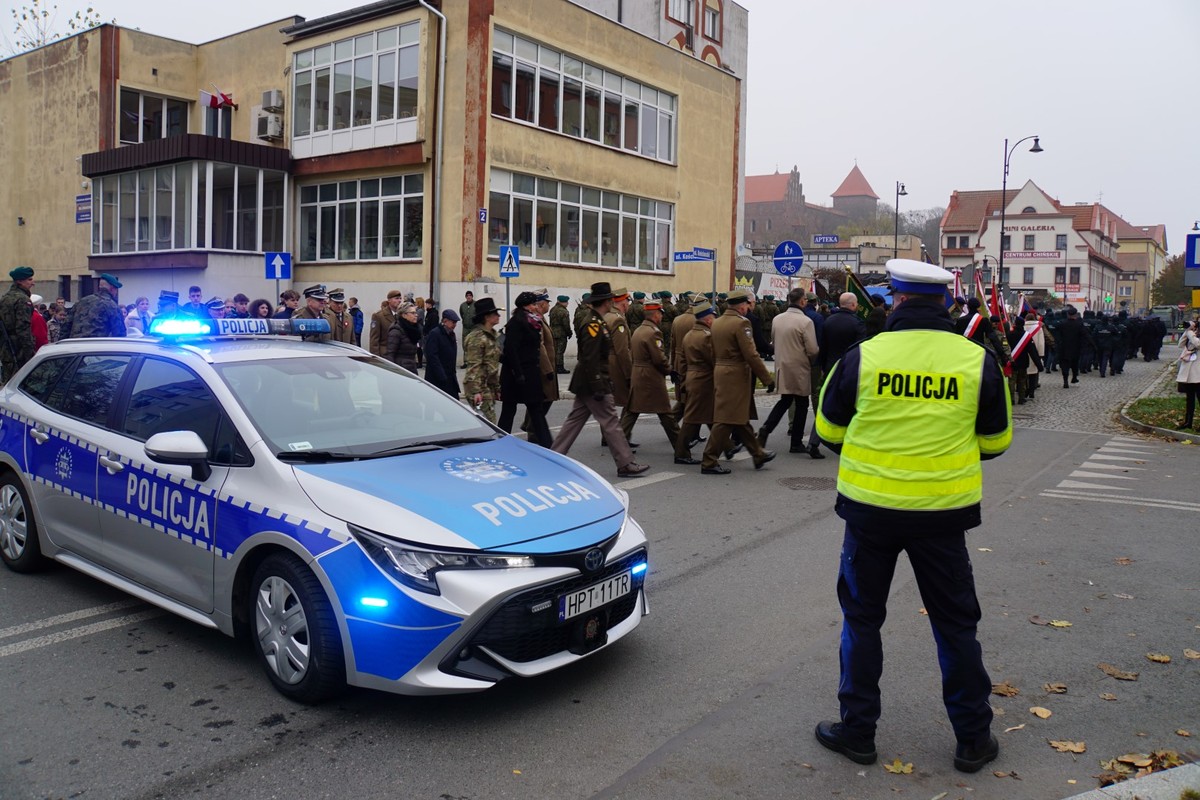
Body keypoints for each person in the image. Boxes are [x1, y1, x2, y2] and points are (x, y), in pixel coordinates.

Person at [813, 259, 1011, 774]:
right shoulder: (977, 359)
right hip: (942, 519)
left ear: (894, 300)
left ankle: (857, 732)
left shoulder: (863, 357)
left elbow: (829, 431)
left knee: (861, 621)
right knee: (955, 627)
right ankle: (973, 738)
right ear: (946, 303)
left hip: (869, 516)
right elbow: (996, 442)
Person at [551, 283, 649, 477]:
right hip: (592, 381)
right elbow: (590, 356)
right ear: (607, 301)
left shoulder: (597, 320)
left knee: (574, 421)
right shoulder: (593, 324)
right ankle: (626, 463)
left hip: (587, 380)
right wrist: (598, 384)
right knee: (611, 421)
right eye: (611, 298)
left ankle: (554, 458)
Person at [700, 290, 776, 474]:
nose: (748, 308)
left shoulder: (717, 323)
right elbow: (751, 354)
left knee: (739, 416)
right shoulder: (742, 323)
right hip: (735, 374)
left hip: (721, 371)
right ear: (742, 305)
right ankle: (709, 461)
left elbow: (712, 351)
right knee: (726, 419)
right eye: (747, 305)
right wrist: (767, 378)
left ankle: (757, 454)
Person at [758, 288, 819, 454]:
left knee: (785, 400)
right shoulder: (805, 322)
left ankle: (766, 429)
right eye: (805, 299)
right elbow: (812, 349)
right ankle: (796, 442)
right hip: (799, 367)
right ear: (802, 301)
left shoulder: (778, 319)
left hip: (782, 365)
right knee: (801, 403)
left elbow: (774, 341)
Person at [621, 300, 681, 449]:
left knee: (632, 411)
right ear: (656, 314)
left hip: (638, 374)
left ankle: (619, 443)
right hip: (650, 377)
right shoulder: (654, 332)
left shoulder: (639, 330)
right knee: (665, 412)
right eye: (660, 314)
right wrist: (670, 370)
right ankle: (681, 447)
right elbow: (658, 358)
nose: (661, 317)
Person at [497, 292, 552, 448]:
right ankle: (501, 443)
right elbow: (511, 350)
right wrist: (518, 373)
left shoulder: (534, 322)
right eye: (533, 304)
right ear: (525, 306)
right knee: (509, 410)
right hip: (515, 375)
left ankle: (547, 445)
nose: (536, 307)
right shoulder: (516, 323)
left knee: (536, 410)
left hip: (530, 374)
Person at [672, 300, 716, 465]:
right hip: (703, 379)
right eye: (712, 316)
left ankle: (727, 446)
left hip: (692, 378)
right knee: (691, 418)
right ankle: (681, 453)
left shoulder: (689, 335)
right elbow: (713, 359)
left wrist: (682, 380)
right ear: (707, 319)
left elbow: (682, 361)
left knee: (710, 416)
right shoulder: (706, 336)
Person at [602, 288, 636, 448]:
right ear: (623, 302)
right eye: (627, 301)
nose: (628, 304)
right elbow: (622, 350)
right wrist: (629, 374)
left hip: (604, 363)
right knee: (629, 402)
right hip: (616, 365)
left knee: (607, 403)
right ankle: (620, 438)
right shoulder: (618, 319)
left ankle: (607, 437)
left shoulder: (605, 316)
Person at [462, 297, 502, 422]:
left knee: (488, 424)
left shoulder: (491, 335)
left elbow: (491, 365)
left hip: (487, 385)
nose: (498, 316)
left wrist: (496, 388)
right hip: (478, 386)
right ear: (486, 317)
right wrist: (475, 392)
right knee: (489, 424)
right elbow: (474, 366)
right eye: (495, 313)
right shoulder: (477, 338)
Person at [0, 266, 37, 382]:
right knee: (21, 383)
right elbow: (23, 329)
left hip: (6, 347)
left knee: (9, 381)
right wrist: (30, 354)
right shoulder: (22, 300)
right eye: (29, 280)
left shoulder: (5, 298)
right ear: (19, 281)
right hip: (19, 349)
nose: (33, 283)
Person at [65, 273, 126, 339]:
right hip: (97, 346)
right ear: (112, 289)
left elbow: (66, 325)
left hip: (75, 345)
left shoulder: (81, 301)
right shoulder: (112, 306)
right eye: (116, 289)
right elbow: (119, 334)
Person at [423, 308, 461, 398]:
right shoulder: (435, 334)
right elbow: (432, 356)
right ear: (445, 321)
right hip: (437, 378)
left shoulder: (451, 334)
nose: (454, 325)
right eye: (453, 322)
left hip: (450, 377)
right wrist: (441, 375)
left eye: (456, 323)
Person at [1055, 306, 1088, 387]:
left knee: (1064, 365)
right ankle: (1074, 377)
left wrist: (1058, 344)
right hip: (1075, 347)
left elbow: (1057, 335)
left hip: (1064, 347)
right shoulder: (1079, 324)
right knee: (1075, 364)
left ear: (1067, 314)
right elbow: (1085, 335)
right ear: (1075, 315)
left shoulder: (1062, 323)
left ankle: (1065, 381)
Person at [1176, 320, 1200, 429]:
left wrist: (1190, 333)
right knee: (1189, 399)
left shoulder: (1195, 337)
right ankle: (1188, 422)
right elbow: (1180, 344)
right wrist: (1187, 331)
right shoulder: (1193, 335)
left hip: (1198, 373)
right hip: (1189, 373)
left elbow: (1197, 344)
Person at [386, 302, 422, 372]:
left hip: (411, 368)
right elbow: (390, 354)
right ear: (404, 315)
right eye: (413, 313)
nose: (416, 315)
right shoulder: (396, 331)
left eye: (415, 312)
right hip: (400, 369)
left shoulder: (413, 330)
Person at [371, 290, 403, 356]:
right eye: (396, 298)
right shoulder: (379, 316)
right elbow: (374, 339)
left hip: (399, 355)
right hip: (385, 354)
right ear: (389, 300)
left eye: (400, 298)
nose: (399, 301)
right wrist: (376, 357)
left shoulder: (402, 315)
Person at [549, 294, 573, 373]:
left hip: (552, 332)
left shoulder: (552, 309)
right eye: (566, 302)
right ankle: (560, 367)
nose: (567, 304)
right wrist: (569, 333)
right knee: (560, 351)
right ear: (563, 302)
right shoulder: (564, 311)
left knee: (554, 350)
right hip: (561, 333)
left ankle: (554, 366)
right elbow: (566, 324)